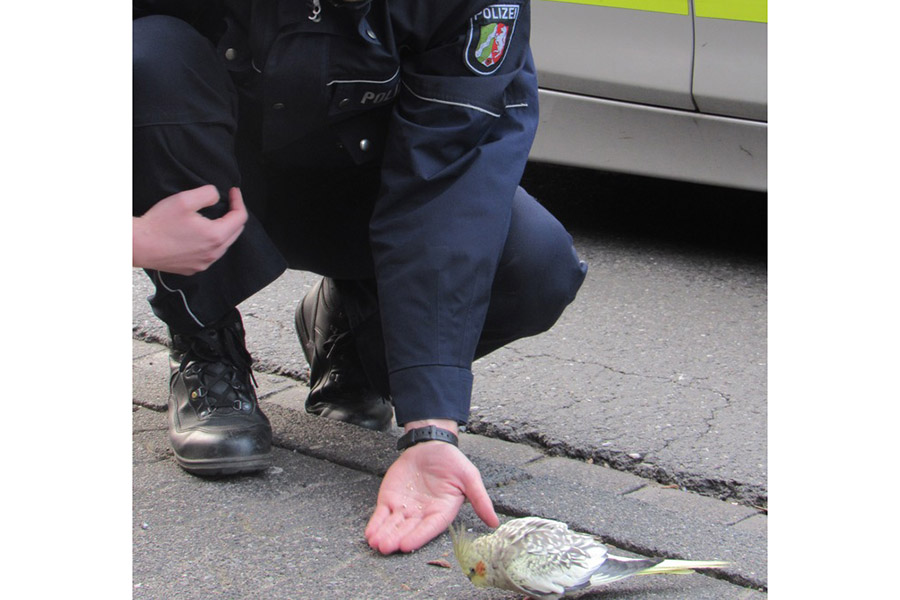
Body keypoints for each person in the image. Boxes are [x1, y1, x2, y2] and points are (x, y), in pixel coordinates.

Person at [133, 0, 587, 555]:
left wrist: (430, 429)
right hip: (209, 177)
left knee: (533, 266)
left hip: (367, 187)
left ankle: (354, 331)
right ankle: (206, 345)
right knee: (149, 56)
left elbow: (447, 187)